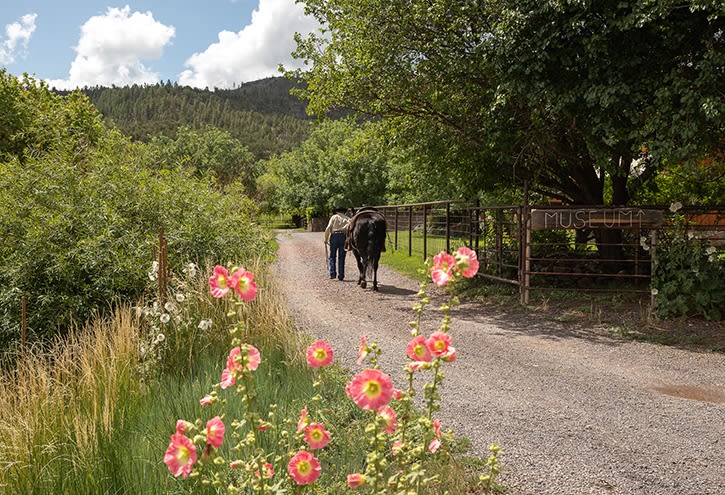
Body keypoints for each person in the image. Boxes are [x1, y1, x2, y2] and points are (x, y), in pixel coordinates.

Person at [324, 206, 350, 280]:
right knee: (342, 257)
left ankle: (332, 273)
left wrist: (325, 239)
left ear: (336, 211)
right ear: (343, 211)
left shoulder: (333, 217)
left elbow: (328, 228)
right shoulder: (347, 219)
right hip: (343, 236)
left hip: (334, 236)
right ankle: (341, 275)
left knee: (332, 256)